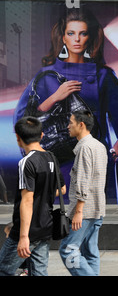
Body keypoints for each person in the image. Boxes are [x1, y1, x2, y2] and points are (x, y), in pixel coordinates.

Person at [14, 6, 118, 204]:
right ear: (63, 37)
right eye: (71, 33)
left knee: (95, 222)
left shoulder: (103, 76)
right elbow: (24, 119)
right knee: (59, 221)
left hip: (94, 162)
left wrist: (114, 151)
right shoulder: (46, 76)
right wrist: (55, 97)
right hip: (57, 161)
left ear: (90, 37)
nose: (77, 39)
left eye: (83, 33)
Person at [0, 116, 65, 276]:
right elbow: (62, 189)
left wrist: (23, 236)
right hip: (45, 226)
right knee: (39, 272)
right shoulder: (51, 157)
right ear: (42, 135)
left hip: (27, 231)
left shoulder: (26, 162)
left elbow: (27, 201)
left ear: (17, 137)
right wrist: (43, 195)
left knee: (3, 269)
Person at [59, 110, 107, 276]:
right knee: (90, 251)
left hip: (84, 211)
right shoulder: (99, 146)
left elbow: (83, 180)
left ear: (81, 124)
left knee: (67, 250)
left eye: (71, 122)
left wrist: (78, 211)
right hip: (97, 208)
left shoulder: (85, 148)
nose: (68, 126)